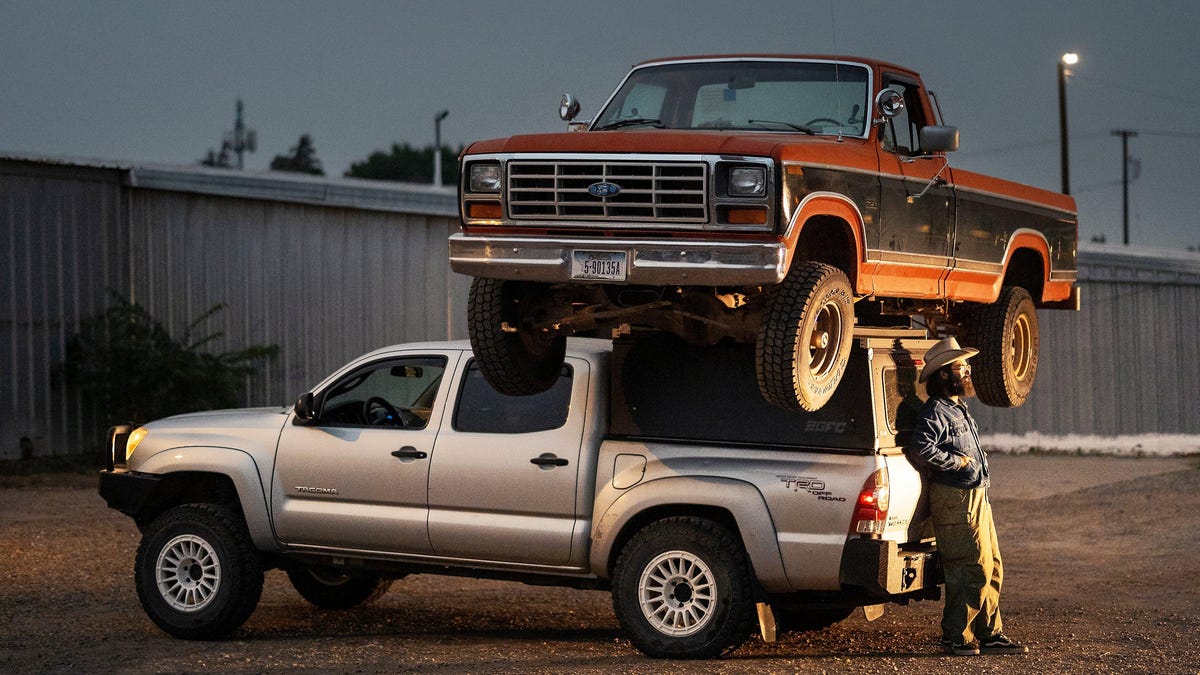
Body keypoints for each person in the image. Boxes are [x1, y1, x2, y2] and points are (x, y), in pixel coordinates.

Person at [907, 337, 1028, 656]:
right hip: (956, 499)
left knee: (992, 566)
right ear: (945, 374)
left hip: (975, 496)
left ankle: (989, 633)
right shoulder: (935, 411)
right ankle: (956, 636)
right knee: (969, 567)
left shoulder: (956, 407)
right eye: (963, 367)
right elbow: (921, 448)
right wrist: (958, 462)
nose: (968, 371)